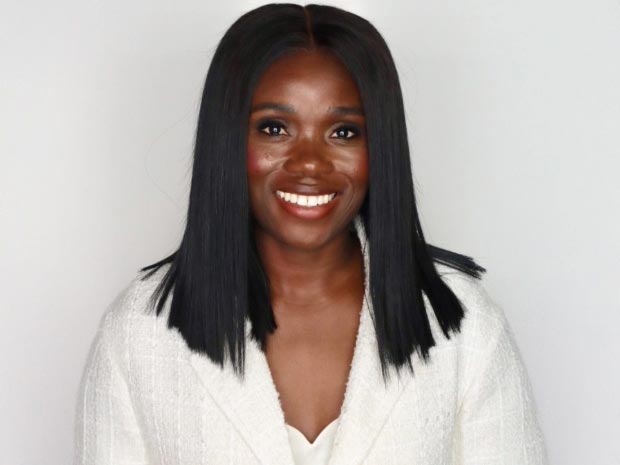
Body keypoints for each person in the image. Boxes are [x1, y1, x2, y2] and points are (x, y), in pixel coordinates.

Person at [73, 3, 549, 465]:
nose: (309, 164)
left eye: (343, 132)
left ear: (380, 146)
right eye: (274, 128)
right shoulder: (138, 334)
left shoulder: (465, 329)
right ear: (227, 139)